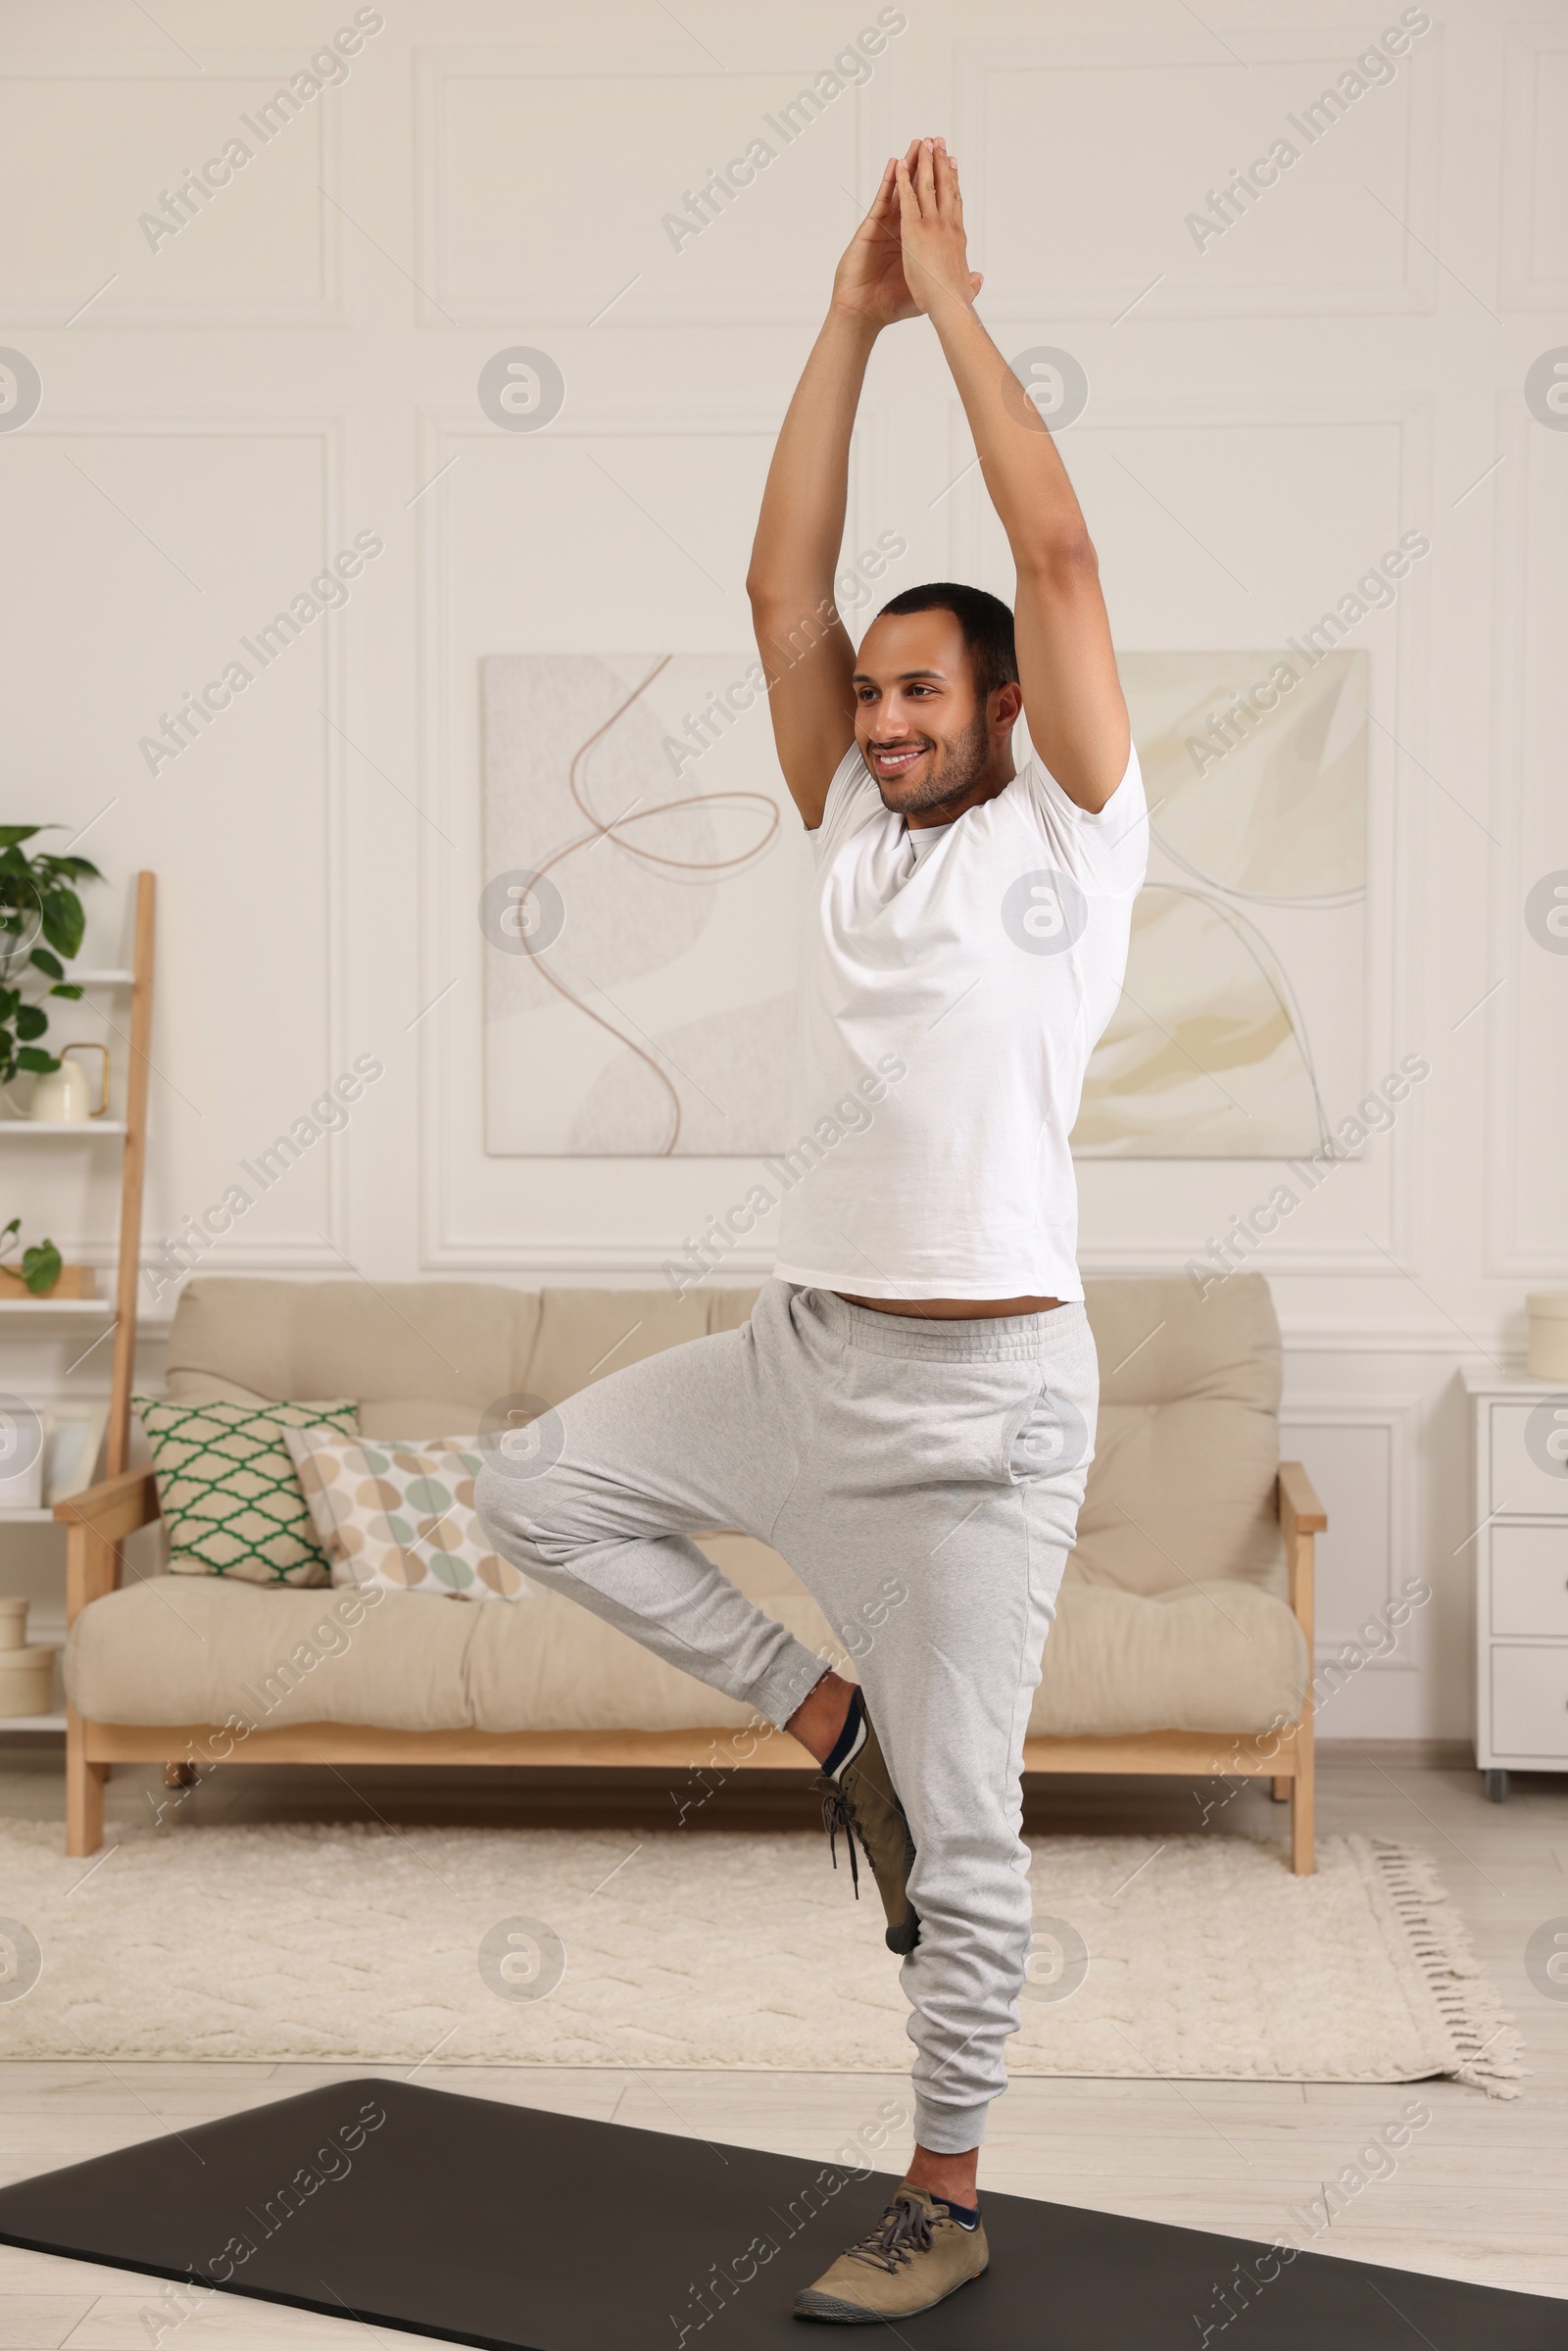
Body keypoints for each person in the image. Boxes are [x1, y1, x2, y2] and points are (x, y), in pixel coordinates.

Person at [475, 134, 1146, 2325]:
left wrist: (948, 299)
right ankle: (815, 1722)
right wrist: (837, 326)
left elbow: (1047, 536)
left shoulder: (1069, 834)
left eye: (916, 691)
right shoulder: (848, 833)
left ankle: (941, 2190)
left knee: (971, 1842)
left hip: (976, 1416)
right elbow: (776, 589)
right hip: (796, 1358)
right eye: (865, 697)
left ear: (1003, 711)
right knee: (538, 1488)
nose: (874, 716)